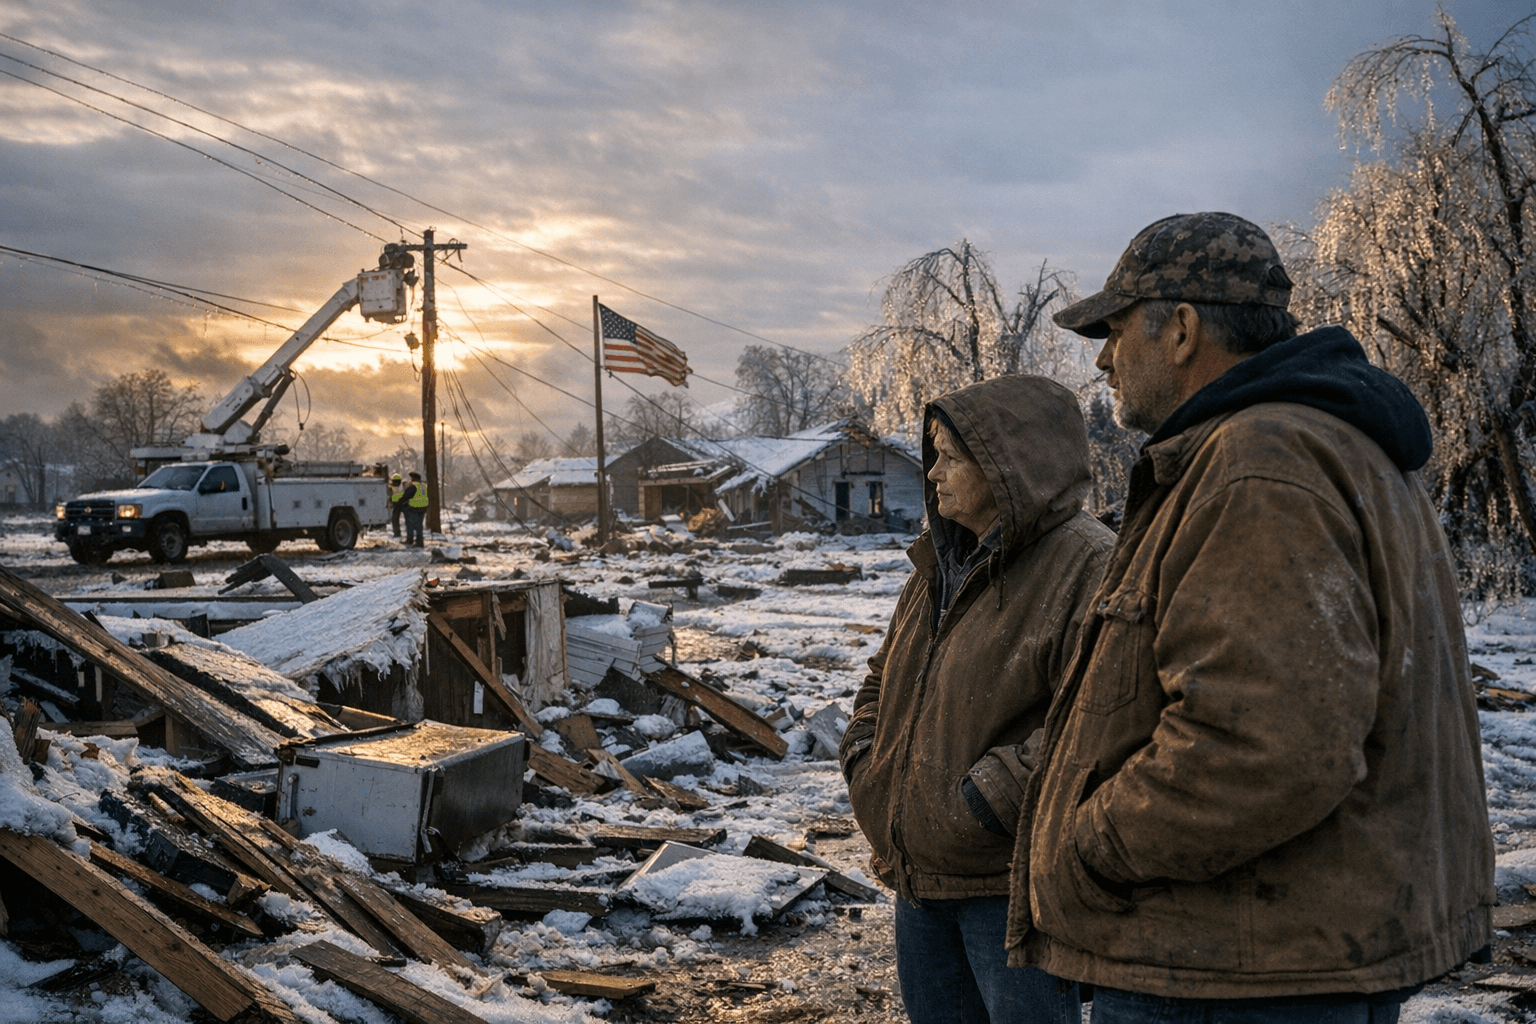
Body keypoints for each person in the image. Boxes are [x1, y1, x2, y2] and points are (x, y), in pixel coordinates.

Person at [1012, 212, 1495, 1023]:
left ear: (1183, 330)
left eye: (1116, 327)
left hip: (1236, 974)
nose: (1101, 357)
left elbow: (1265, 747)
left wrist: (1089, 848)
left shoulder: (1259, 462)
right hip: (1275, 955)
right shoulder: (1317, 444)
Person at [839, 374, 1114, 1024]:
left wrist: (989, 799)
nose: (932, 473)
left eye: (950, 455)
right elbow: (885, 674)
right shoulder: (941, 561)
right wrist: (863, 757)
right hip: (917, 882)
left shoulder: (1088, 565)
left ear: (1008, 465)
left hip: (1010, 889)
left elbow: (1103, 720)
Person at [397, 471, 427, 547]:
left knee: (409, 524)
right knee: (419, 525)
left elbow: (405, 497)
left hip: (414, 508)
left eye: (411, 478)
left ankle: (409, 540)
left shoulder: (413, 487)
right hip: (423, 508)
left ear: (413, 479)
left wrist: (399, 503)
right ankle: (420, 542)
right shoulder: (424, 486)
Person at [388, 473, 405, 538]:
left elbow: (391, 496)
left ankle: (397, 533)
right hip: (402, 503)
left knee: (395, 519)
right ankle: (397, 533)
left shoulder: (392, 488)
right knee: (395, 519)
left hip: (397, 504)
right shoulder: (402, 487)